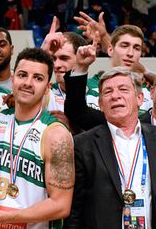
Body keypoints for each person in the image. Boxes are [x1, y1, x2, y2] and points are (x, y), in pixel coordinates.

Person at [0, 48, 74, 228]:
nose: (28, 83)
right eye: (22, 75)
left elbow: (61, 206)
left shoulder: (56, 134)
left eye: (38, 78)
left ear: (47, 88)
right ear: (12, 79)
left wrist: (2, 217)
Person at [64, 67, 156, 228]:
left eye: (123, 89)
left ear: (140, 98)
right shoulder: (83, 144)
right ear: (100, 104)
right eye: (107, 92)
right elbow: (75, 211)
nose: (115, 96)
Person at [64, 25, 154, 131]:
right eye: (124, 46)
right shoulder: (87, 86)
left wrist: (147, 73)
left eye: (136, 48)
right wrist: (81, 67)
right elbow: (77, 112)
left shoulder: (149, 90)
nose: (130, 53)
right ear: (110, 49)